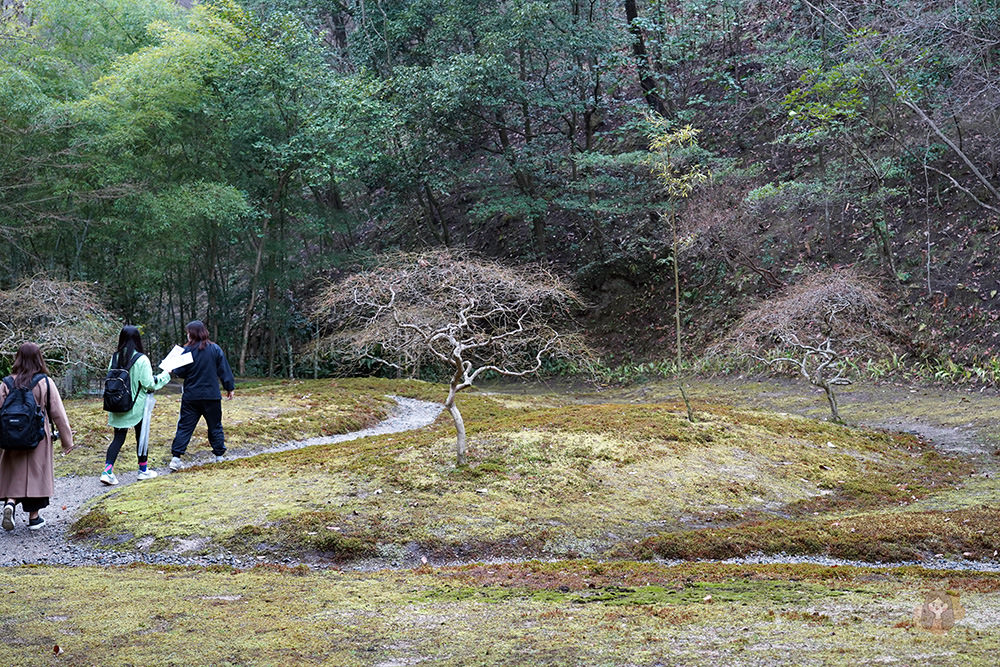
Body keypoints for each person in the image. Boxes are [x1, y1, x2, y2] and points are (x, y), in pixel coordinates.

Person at [1, 342, 75, 531]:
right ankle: (34, 518)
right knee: (36, 475)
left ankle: (10, 502)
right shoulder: (45, 382)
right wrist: (67, 441)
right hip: (38, 437)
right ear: (38, 359)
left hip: (10, 437)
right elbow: (58, 413)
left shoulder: (5, 383)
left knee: (14, 472)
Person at [101, 325, 171, 485]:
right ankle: (143, 470)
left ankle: (107, 471)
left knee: (118, 438)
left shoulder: (115, 357)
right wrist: (164, 376)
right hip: (136, 406)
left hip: (117, 403)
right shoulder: (141, 359)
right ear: (138, 339)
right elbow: (148, 384)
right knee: (142, 436)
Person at [168, 320, 235, 471]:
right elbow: (224, 369)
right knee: (215, 426)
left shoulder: (186, 351)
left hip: (191, 396)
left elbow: (180, 372)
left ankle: (176, 458)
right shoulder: (215, 349)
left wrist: (172, 366)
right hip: (212, 396)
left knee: (185, 427)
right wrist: (229, 387)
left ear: (191, 333)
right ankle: (219, 456)